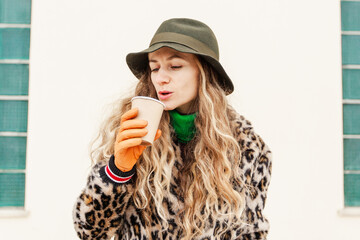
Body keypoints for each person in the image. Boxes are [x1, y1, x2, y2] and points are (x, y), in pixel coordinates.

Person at [73, 18, 272, 240]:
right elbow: (90, 231)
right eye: (154, 67)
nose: (160, 78)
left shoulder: (246, 147)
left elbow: (252, 233)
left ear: (204, 73)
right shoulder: (133, 128)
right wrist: (118, 171)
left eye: (175, 66)